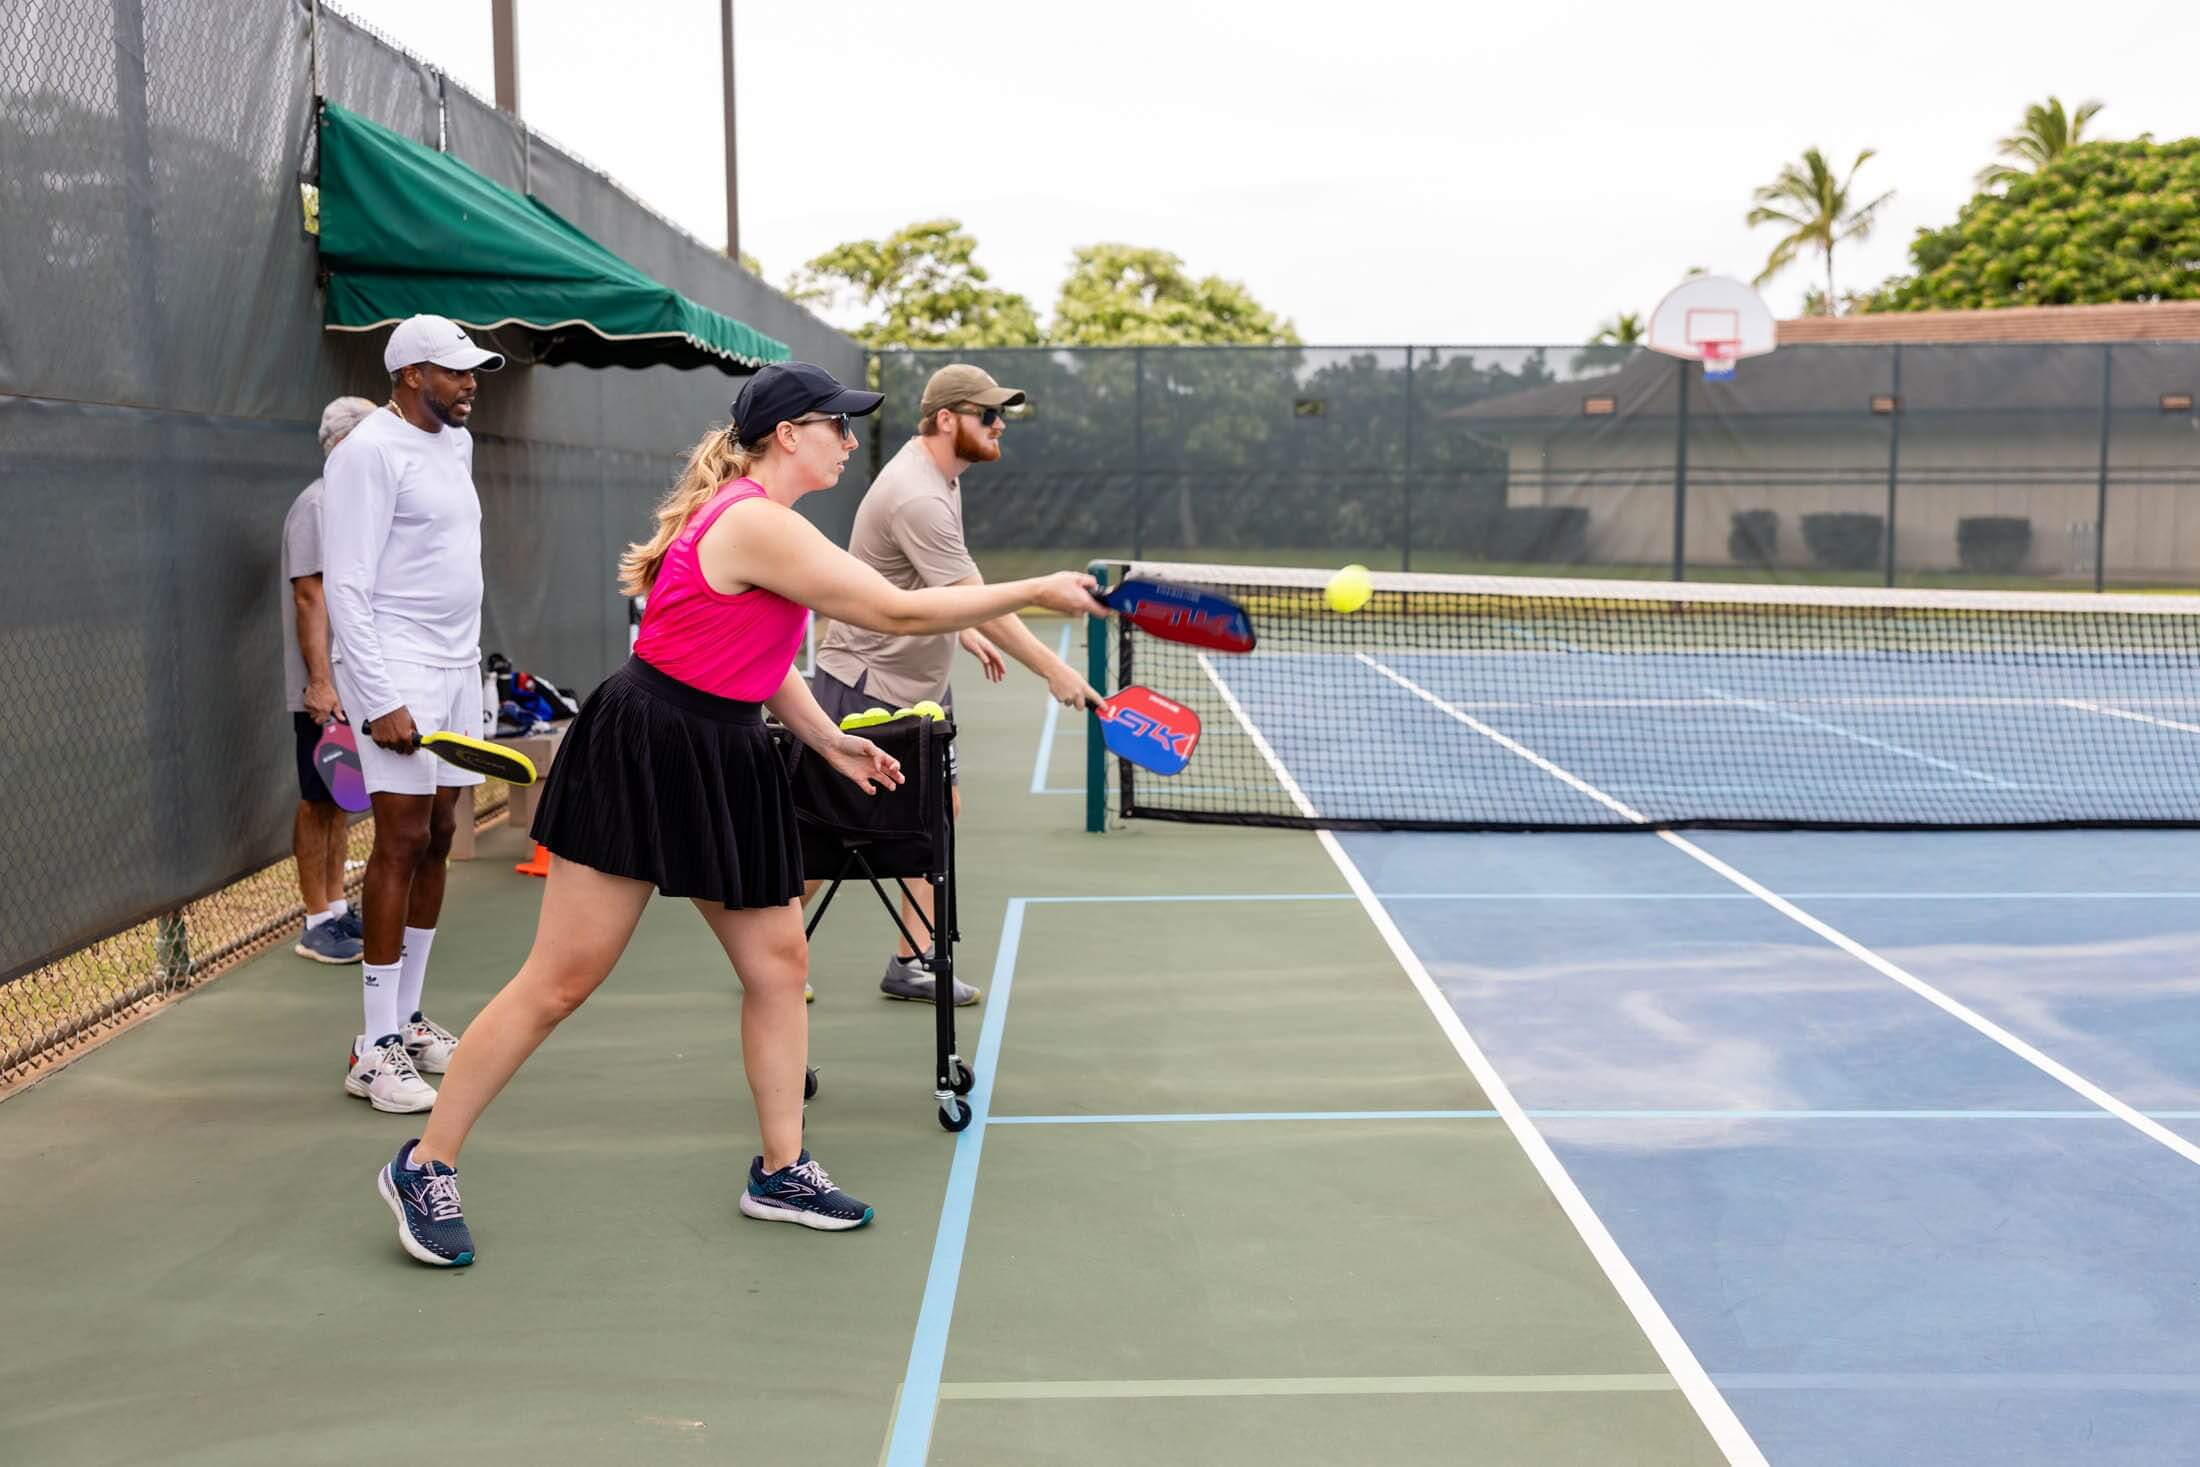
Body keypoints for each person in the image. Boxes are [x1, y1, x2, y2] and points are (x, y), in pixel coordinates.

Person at [371, 361, 1107, 1266]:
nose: (848, 438)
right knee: (561, 979)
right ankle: (424, 1161)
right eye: (836, 424)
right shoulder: (755, 520)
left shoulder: (769, 521)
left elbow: (759, 654)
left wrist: (828, 737)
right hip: (648, 747)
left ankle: (780, 1168)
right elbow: (893, 608)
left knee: (778, 959)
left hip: (726, 747)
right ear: (788, 434)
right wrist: (1031, 591)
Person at [810, 363, 1102, 1005]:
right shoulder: (918, 492)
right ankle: (775, 950)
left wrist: (962, 628)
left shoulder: (942, 477)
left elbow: (941, 588)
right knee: (831, 834)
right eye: (987, 415)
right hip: (869, 678)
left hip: (916, 680)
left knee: (937, 812)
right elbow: (981, 600)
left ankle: (910, 960)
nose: (1000, 426)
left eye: (1001, 415)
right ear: (947, 419)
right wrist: (1053, 667)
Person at [324, 315, 505, 1115]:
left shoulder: (455, 443)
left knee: (438, 834)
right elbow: (347, 588)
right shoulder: (366, 454)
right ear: (409, 375)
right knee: (398, 836)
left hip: (455, 666)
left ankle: (406, 1019)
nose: (471, 383)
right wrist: (380, 696)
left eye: (474, 372)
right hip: (393, 666)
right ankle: (374, 1047)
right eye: (456, 371)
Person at [283, 396, 377, 965]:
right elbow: (309, 594)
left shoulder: (348, 506)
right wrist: (320, 683)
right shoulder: (316, 507)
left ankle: (338, 909)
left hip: (350, 681)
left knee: (340, 796)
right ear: (344, 444)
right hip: (322, 688)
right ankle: (314, 918)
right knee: (317, 799)